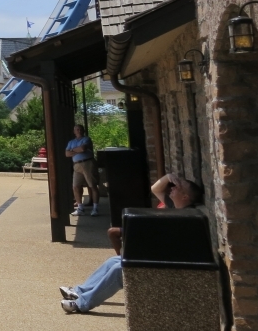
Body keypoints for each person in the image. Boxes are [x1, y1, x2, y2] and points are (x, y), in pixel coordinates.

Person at [60, 174, 203, 313]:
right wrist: (169, 177)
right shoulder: (173, 206)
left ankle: (81, 304)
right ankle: (79, 292)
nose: (173, 187)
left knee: (119, 270)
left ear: (185, 197)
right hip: (158, 261)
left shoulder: (186, 218)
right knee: (113, 261)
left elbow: (172, 250)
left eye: (178, 187)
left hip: (169, 270)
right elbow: (155, 189)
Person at [65, 124, 99, 216]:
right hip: (77, 165)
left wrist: (72, 150)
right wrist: (77, 150)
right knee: (76, 186)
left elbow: (83, 148)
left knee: (92, 185)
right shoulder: (71, 142)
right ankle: (80, 208)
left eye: (80, 129)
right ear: (74, 131)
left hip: (88, 163)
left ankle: (95, 208)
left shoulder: (86, 139)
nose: (79, 131)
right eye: (77, 129)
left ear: (83, 130)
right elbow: (67, 154)